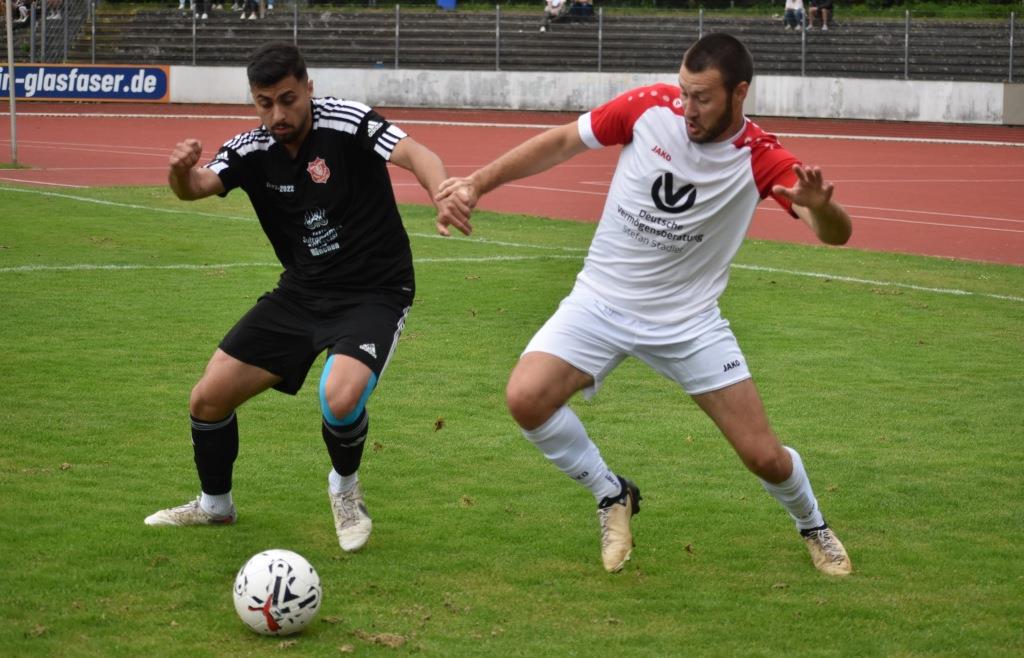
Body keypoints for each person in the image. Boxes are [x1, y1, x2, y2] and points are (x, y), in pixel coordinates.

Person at [436, 33, 853, 576]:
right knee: (526, 398)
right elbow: (563, 142)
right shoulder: (647, 109)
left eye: (702, 97)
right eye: (683, 92)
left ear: (739, 93)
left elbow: (836, 234)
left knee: (763, 457)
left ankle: (813, 525)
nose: (687, 108)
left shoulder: (761, 157)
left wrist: (821, 208)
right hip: (600, 303)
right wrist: (476, 184)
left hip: (688, 324)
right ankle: (612, 494)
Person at [144, 43, 471, 555]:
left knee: (339, 398)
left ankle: (344, 491)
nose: (277, 114)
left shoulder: (346, 122)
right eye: (264, 102)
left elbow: (415, 153)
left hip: (375, 291)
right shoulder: (253, 148)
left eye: (288, 99)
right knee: (207, 399)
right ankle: (215, 505)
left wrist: (441, 191)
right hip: (302, 293)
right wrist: (179, 173)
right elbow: (200, 185)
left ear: (308, 89)